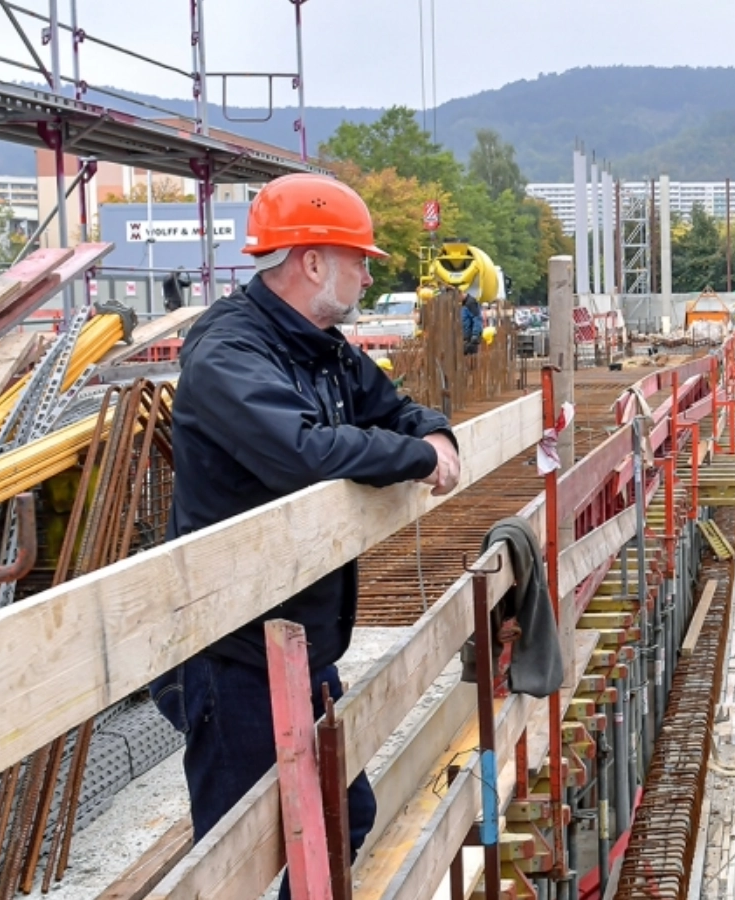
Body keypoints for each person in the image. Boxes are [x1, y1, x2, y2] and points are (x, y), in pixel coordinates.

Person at [149, 172, 461, 896]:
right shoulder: (230, 352)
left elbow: (396, 408)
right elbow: (300, 452)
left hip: (296, 641)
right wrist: (419, 457)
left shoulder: (320, 346)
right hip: (231, 653)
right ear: (312, 260)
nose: (367, 271)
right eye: (358, 257)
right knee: (241, 862)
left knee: (341, 816)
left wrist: (434, 433)